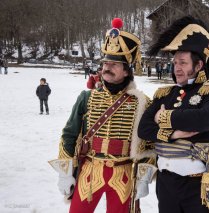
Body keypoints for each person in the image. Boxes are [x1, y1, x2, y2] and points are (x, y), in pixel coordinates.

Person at [55, 18, 155, 213]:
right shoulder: (86, 97)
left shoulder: (142, 102)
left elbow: (150, 145)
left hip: (124, 173)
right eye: (105, 63)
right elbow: (69, 135)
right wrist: (65, 173)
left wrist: (143, 177)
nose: (106, 67)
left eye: (114, 64)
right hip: (90, 170)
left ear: (127, 71)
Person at [138, 16, 209, 213]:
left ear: (198, 66)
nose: (176, 68)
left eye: (182, 62)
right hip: (166, 185)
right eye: (175, 62)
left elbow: (202, 120)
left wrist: (163, 118)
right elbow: (144, 128)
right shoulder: (165, 94)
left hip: (198, 186)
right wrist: (173, 134)